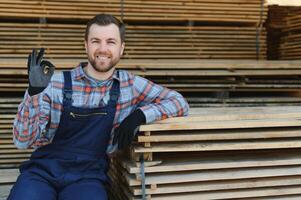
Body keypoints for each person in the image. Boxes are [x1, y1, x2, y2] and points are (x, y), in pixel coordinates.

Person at [8, 14, 189, 200]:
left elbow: (178, 102)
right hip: (42, 174)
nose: (103, 49)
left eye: (111, 42)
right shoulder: (53, 84)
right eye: (96, 41)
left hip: (88, 177)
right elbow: (23, 141)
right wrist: (33, 94)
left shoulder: (131, 86)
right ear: (86, 45)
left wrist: (140, 115)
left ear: (121, 48)